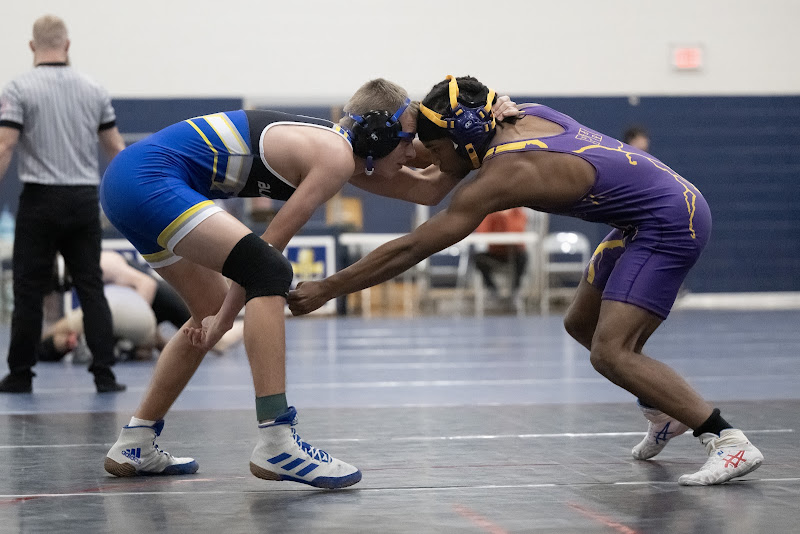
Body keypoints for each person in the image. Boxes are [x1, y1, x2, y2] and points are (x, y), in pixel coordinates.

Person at [288, 75, 764, 486]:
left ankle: (724, 437)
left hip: (669, 222)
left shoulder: (510, 171)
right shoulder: (519, 116)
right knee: (580, 325)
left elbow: (416, 245)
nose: (427, 158)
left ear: (466, 136)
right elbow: (438, 171)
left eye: (434, 149)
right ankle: (664, 411)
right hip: (644, 218)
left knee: (610, 352)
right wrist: (341, 158)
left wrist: (327, 288)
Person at [97, 76, 521, 488]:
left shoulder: (345, 153)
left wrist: (480, 139)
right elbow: (270, 248)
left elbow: (428, 191)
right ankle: (277, 441)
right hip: (147, 179)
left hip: (130, 182)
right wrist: (227, 318)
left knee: (208, 313)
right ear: (376, 133)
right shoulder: (334, 156)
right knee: (269, 274)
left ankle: (135, 443)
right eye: (409, 140)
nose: (414, 153)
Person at [0, 15, 127, 393]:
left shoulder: (18, 89)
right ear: (67, 45)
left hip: (40, 199)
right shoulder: (94, 89)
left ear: (31, 47)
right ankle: (104, 373)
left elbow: (5, 145)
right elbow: (116, 151)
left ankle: (21, 374)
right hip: (84, 200)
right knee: (90, 286)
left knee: (28, 289)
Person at [472, 208, 528, 300]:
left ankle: (516, 290)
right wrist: (496, 216)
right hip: (494, 254)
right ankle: (491, 289)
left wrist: (505, 218)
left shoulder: (518, 213)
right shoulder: (489, 213)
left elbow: (517, 233)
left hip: (513, 255)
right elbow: (482, 232)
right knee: (478, 258)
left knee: (523, 257)